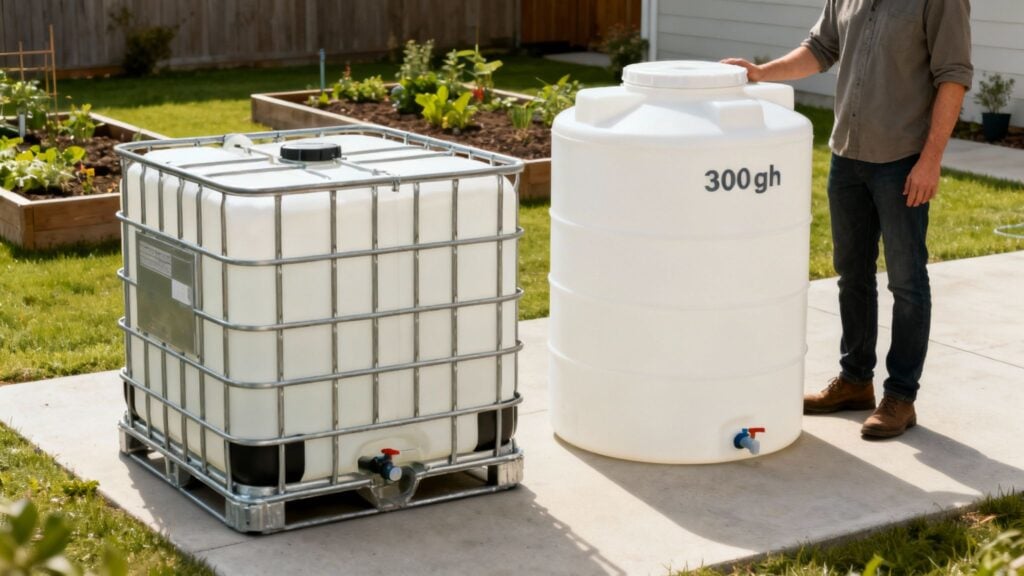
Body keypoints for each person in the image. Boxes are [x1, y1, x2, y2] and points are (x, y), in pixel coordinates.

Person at [723, 0, 973, 438]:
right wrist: (761, 73)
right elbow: (820, 48)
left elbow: (953, 76)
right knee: (851, 275)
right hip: (848, 156)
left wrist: (931, 160)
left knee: (907, 281)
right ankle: (856, 381)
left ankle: (901, 396)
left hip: (902, 159)